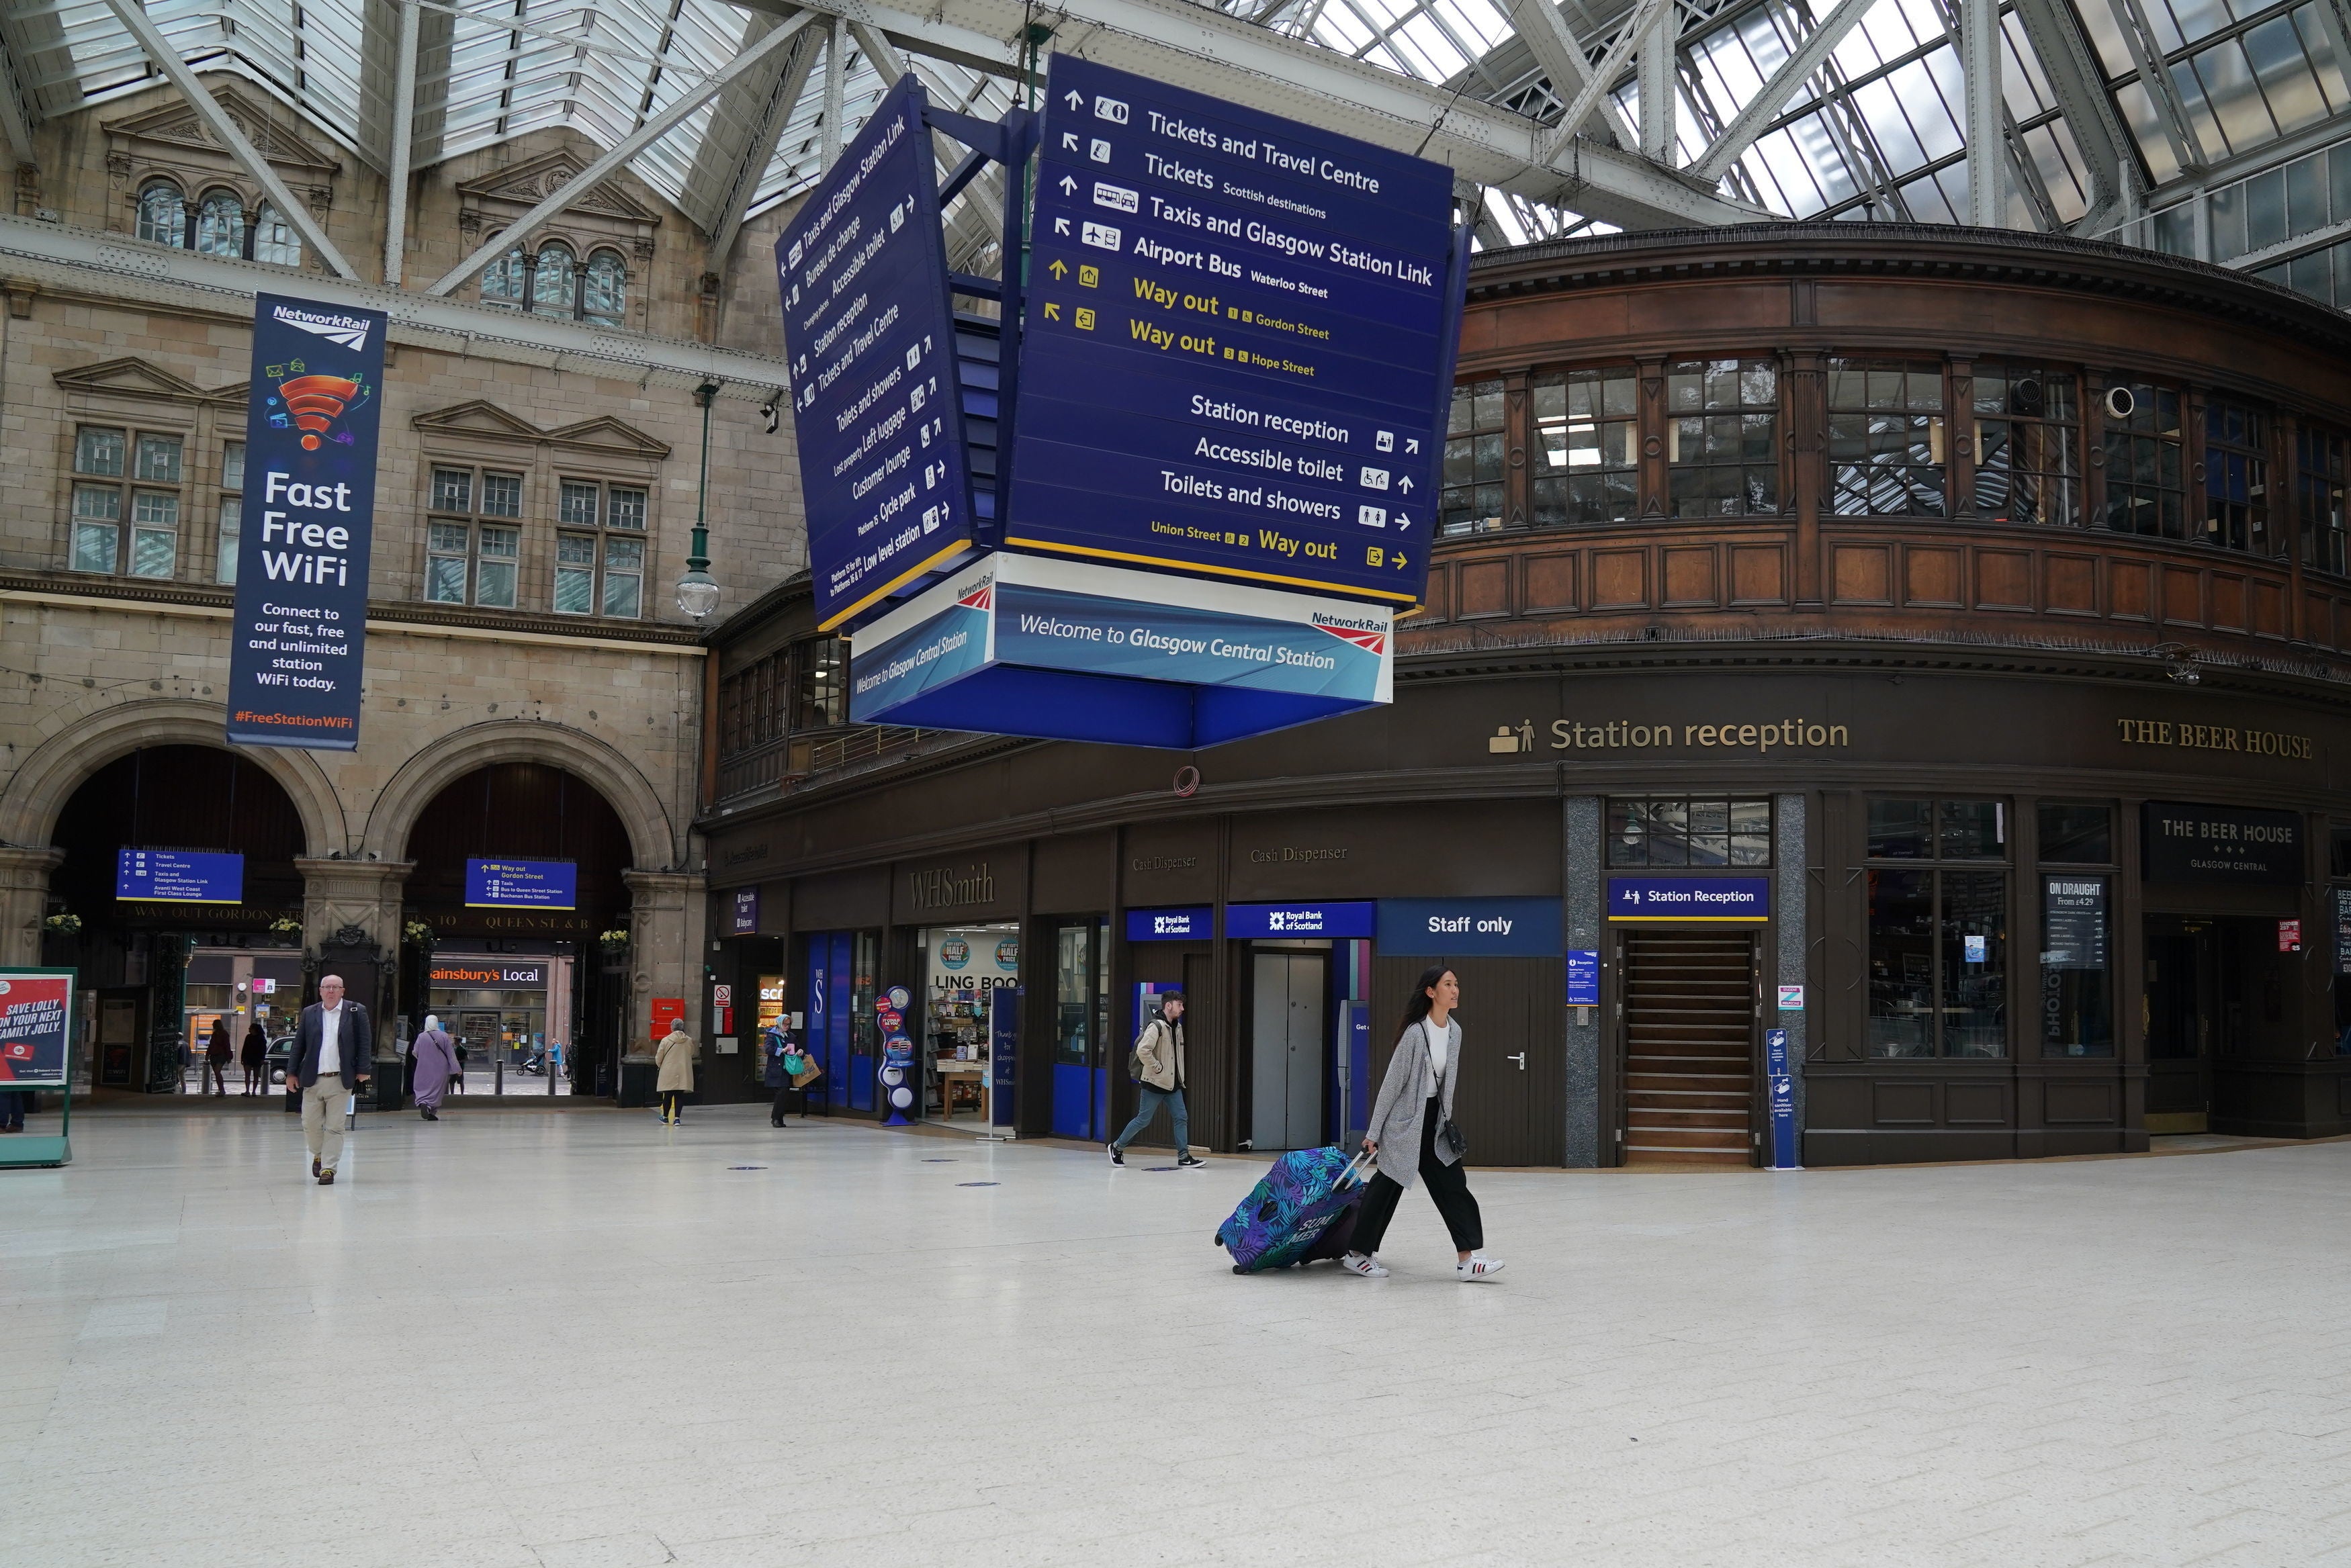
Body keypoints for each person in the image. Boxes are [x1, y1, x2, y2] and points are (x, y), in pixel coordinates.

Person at [1340, 966, 1504, 1281]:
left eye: (1456, 984)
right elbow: (1391, 1085)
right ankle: (1357, 1255)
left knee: (1453, 1187)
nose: (1455, 990)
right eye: (1447, 984)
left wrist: (1445, 1120)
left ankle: (1467, 1260)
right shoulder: (1416, 1034)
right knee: (1385, 1190)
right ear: (1431, 992)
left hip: (1436, 1123)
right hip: (1404, 1123)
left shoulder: (1455, 1032)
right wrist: (1374, 1132)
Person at [286, 974, 371, 1186]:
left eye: (336, 987)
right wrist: (291, 1073)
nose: (331, 991)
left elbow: (365, 1042)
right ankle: (318, 1154)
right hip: (312, 1078)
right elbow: (299, 1045)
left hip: (340, 1079)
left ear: (343, 991)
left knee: (335, 1127)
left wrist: (363, 1069)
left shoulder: (355, 1011)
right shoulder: (310, 1013)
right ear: (321, 991)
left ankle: (328, 1169)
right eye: (327, 987)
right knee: (310, 1124)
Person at [1108, 992, 1201, 1168]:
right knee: (1143, 1120)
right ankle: (1117, 1147)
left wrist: (1179, 1076)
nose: (1182, 1009)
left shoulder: (1177, 1027)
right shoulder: (1156, 1027)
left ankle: (1184, 1156)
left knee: (1181, 1117)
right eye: (1179, 1005)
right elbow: (1143, 1050)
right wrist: (1158, 1067)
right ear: (1168, 1006)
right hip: (1154, 1083)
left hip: (1172, 1083)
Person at [411, 1015, 459, 1122]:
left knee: (422, 1085)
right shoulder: (444, 1036)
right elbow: (450, 1054)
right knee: (437, 1088)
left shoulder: (421, 1036)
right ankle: (431, 1110)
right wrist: (457, 1069)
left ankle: (424, 1102)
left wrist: (424, 1057)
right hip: (440, 1068)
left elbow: (415, 1052)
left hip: (423, 1067)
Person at [654, 1020, 695, 1125]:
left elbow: (659, 1057)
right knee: (679, 1096)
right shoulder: (689, 1040)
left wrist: (661, 1066)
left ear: (671, 1028)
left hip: (668, 1070)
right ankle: (677, 1119)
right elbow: (692, 1053)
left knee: (667, 1095)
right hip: (683, 1071)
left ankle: (665, 1117)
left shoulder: (665, 1040)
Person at [762, 1021, 797, 1127]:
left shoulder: (791, 1036)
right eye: (785, 1025)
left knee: (784, 1094)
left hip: (787, 1069)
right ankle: (777, 1118)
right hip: (775, 1069)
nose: (787, 1027)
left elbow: (799, 1047)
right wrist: (782, 1050)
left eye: (788, 1025)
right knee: (781, 1093)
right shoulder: (772, 1035)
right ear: (780, 1024)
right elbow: (768, 1049)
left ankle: (778, 1118)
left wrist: (800, 1052)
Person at [203, 1017, 231, 1096]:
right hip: (214, 1055)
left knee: (217, 1071)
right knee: (216, 1072)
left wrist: (228, 1057)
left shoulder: (223, 1034)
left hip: (221, 1055)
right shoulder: (215, 1034)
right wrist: (208, 1054)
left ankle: (222, 1089)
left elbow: (227, 1045)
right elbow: (211, 1045)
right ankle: (221, 1089)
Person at [240, 1018, 267, 1096]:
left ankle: (250, 1091)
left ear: (254, 1029)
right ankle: (251, 1091)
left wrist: (243, 1057)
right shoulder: (260, 1038)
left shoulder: (252, 1038)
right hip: (254, 1058)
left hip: (251, 1058)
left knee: (250, 1075)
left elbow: (245, 1048)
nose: (249, 1029)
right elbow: (263, 1050)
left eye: (250, 1028)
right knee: (254, 1075)